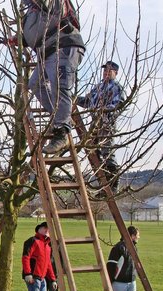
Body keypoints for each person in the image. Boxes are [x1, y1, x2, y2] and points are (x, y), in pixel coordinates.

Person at [22, 0, 86, 154]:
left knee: (60, 87)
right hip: (47, 51)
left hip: (63, 45)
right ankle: (60, 117)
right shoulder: (32, 11)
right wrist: (14, 40)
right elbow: (31, 34)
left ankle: (61, 133)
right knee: (35, 83)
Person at [76, 61, 125, 192]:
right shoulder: (98, 87)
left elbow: (119, 105)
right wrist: (73, 98)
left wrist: (104, 111)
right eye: (104, 71)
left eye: (109, 71)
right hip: (95, 123)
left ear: (115, 73)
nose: (106, 73)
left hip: (106, 122)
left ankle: (114, 183)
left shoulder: (117, 88)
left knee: (107, 151)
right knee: (91, 148)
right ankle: (103, 181)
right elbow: (86, 101)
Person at [16, 222, 57, 291]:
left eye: (48, 229)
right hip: (33, 277)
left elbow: (48, 263)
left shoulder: (48, 246)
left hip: (42, 277)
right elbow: (25, 258)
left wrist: (53, 279)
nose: (46, 230)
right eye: (44, 228)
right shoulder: (32, 241)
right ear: (38, 229)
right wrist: (28, 273)